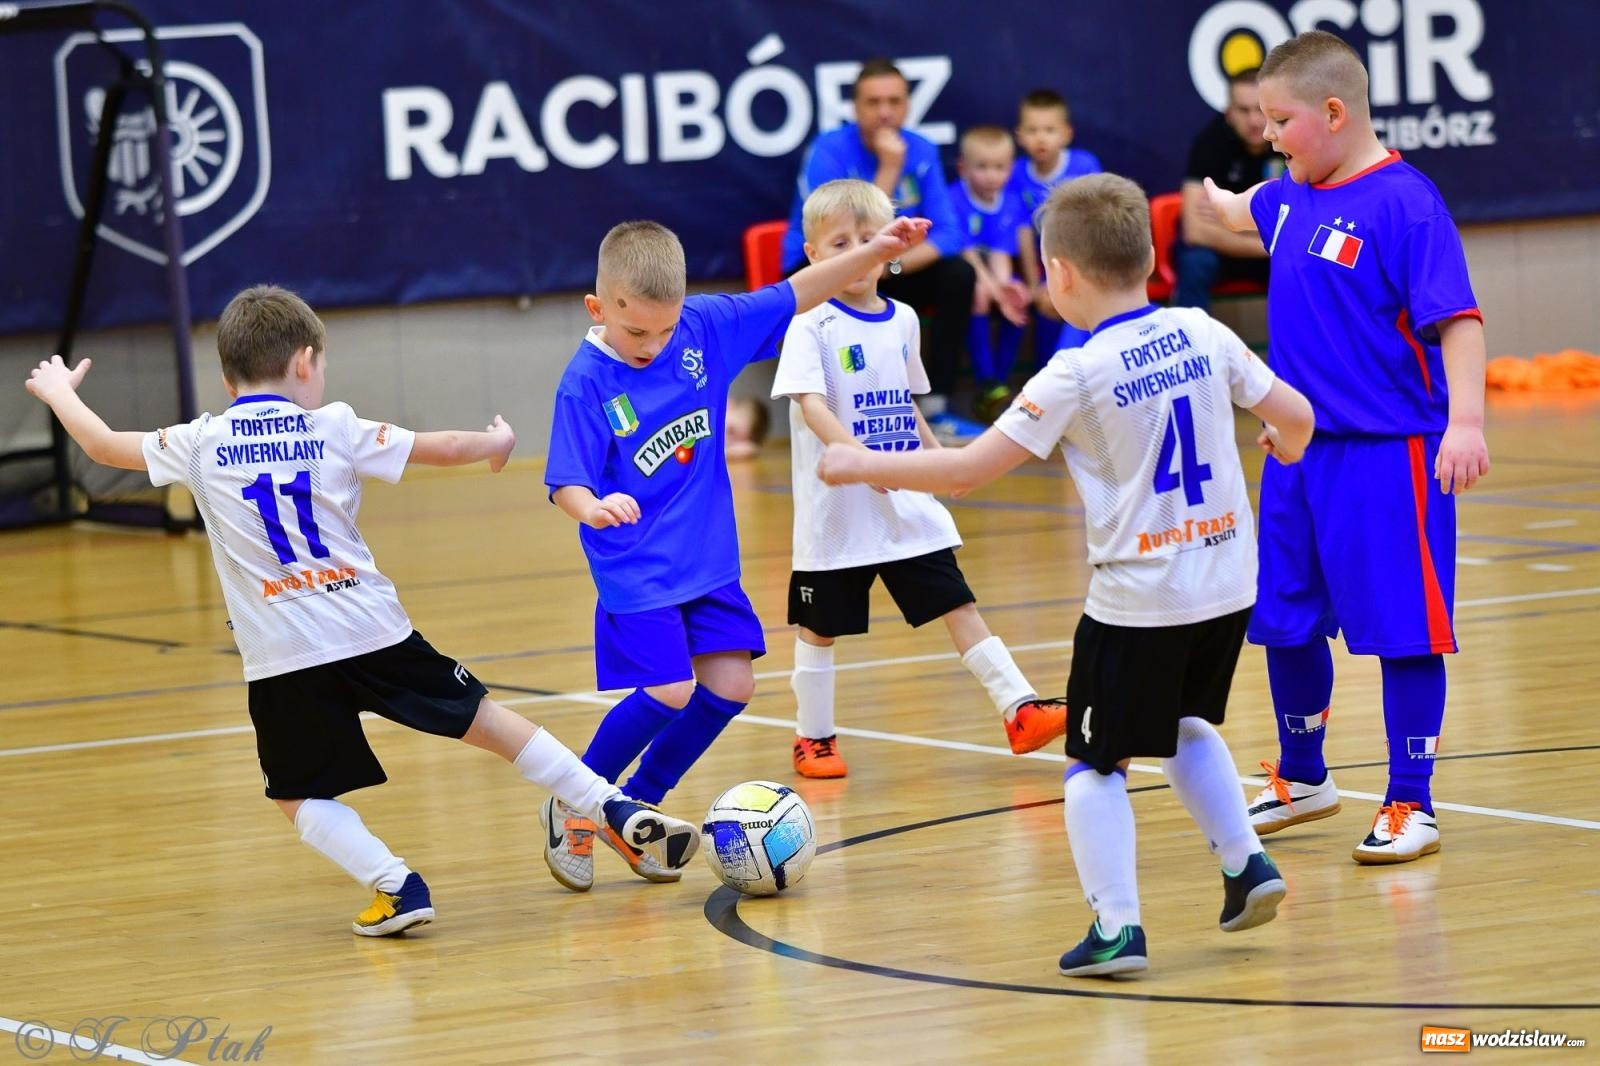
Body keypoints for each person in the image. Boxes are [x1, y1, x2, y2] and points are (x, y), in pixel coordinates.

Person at [21, 285, 702, 936]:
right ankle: (608, 803)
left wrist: (57, 393)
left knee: (297, 795)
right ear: (304, 363)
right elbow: (443, 447)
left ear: (228, 381)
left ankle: (396, 884)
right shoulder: (334, 427)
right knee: (492, 723)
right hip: (374, 629)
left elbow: (103, 446)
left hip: (283, 656)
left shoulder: (198, 443)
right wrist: (494, 444)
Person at [817, 173, 1316, 977]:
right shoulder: (1204, 329)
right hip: (1227, 585)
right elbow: (1296, 418)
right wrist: (1283, 448)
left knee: (1094, 763)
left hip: (1138, 600)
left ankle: (1117, 929)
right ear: (1153, 257)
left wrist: (855, 461)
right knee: (1184, 724)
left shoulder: (1074, 373)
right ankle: (1246, 864)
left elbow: (969, 471)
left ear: (1060, 274)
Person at [540, 211, 932, 889]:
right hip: (636, 567)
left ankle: (640, 808)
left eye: (665, 329)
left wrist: (875, 249)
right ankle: (578, 797)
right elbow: (565, 480)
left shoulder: (703, 328)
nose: (653, 345)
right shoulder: (585, 383)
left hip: (709, 563)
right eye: (636, 330)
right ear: (597, 307)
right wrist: (592, 507)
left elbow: (800, 290)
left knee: (731, 685)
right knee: (667, 688)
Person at [1204, 30, 1489, 865]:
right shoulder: (1288, 196)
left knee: (1406, 630)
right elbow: (1241, 207)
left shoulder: (1407, 203)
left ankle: (1412, 802)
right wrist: (1217, 202)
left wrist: (1465, 424)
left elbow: (1459, 323)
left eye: (1279, 119)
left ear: (1333, 112)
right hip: (1296, 458)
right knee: (1283, 621)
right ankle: (1304, 776)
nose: (1268, 135)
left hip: (1391, 456)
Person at [773, 178, 1067, 779]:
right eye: (838, 244)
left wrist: (939, 467)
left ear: (890, 250)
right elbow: (811, 406)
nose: (854, 254)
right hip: (838, 509)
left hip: (904, 496)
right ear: (813, 256)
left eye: (866, 240)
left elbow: (907, 405)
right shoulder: (809, 323)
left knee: (956, 600)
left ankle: (1018, 707)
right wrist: (858, 458)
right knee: (820, 627)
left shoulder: (903, 319)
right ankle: (814, 738)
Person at [781, 57, 985, 440]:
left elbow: (949, 235)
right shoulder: (829, 150)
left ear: (907, 105)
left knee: (959, 273)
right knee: (812, 285)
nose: (885, 113)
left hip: (887, 269)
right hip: (820, 266)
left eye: (894, 102)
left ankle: (936, 406)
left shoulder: (922, 149)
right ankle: (831, 410)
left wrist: (886, 266)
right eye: (873, 103)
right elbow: (837, 228)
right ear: (855, 108)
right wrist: (890, 169)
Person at [1010, 89, 1103, 371]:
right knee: (1049, 304)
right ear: (1019, 135)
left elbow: (1098, 223)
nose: (1041, 138)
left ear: (1066, 134)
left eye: (1049, 130)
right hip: (1046, 269)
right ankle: (1049, 377)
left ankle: (1085, 375)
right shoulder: (1015, 173)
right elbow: (1022, 232)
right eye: (1033, 130)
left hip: (1088, 262)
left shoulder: (1084, 165)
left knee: (1078, 302)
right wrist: (1035, 285)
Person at [947, 126, 1032, 420]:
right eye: (982, 167)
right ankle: (986, 382)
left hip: (987, 273)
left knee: (1018, 294)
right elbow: (968, 256)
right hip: (963, 272)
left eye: (1000, 167)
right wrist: (996, 290)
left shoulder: (1010, 202)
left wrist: (1007, 289)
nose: (992, 175)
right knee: (980, 294)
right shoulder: (954, 198)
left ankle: (1001, 382)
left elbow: (1000, 257)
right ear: (963, 168)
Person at [1175, 68, 1278, 310]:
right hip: (1223, 255)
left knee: (1305, 260)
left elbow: (1304, 219)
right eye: (1244, 110)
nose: (1254, 121)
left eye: (1260, 110)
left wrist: (1224, 221)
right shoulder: (1209, 144)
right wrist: (1271, 241)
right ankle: (1194, 345)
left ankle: (1303, 346)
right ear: (1229, 113)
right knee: (1195, 262)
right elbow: (1195, 231)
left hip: (1267, 253)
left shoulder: (1290, 142)